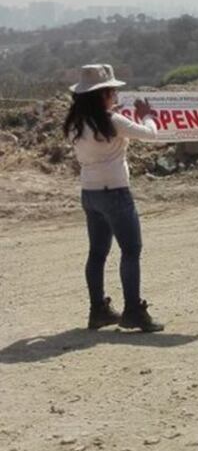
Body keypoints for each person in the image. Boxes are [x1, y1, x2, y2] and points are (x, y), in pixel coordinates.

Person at [64, 64, 165, 332]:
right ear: (102, 95)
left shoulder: (76, 123)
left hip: (90, 192)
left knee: (97, 253)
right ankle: (133, 311)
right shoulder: (112, 122)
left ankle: (98, 309)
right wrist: (147, 116)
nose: (115, 96)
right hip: (116, 192)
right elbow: (151, 134)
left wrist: (114, 115)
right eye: (111, 92)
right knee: (131, 251)